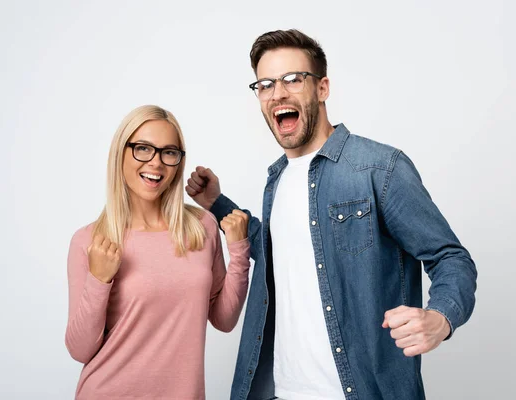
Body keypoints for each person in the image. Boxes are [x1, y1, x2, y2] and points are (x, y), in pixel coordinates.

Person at [186, 30, 477, 400]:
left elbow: (450, 257)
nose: (278, 93)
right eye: (265, 84)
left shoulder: (379, 169)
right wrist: (218, 204)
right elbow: (279, 250)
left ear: (322, 88)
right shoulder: (276, 180)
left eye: (293, 79)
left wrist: (441, 317)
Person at [65, 105, 251, 399]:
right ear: (121, 153)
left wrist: (239, 250)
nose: (156, 163)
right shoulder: (89, 240)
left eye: (169, 152)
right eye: (143, 148)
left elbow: (224, 320)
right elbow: (79, 349)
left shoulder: (201, 226)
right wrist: (99, 280)